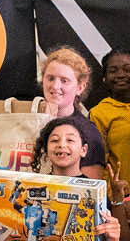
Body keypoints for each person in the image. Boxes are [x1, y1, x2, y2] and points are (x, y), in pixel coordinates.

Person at [38, 47, 111, 179]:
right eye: (50, 78)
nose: (55, 86)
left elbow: (89, 189)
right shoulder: (25, 119)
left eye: (64, 80)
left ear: (80, 87)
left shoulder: (88, 132)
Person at [89, 48, 130, 194]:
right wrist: (111, 195)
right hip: (121, 194)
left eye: (127, 70)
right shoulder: (99, 113)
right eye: (113, 71)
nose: (121, 75)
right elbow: (98, 163)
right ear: (104, 78)